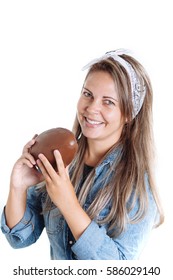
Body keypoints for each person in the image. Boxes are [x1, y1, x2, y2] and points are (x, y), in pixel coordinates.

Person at [1, 49, 164, 260]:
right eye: (88, 94)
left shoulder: (137, 186)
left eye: (108, 102)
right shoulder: (60, 159)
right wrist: (18, 187)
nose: (91, 108)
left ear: (129, 114)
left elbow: (121, 269)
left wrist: (68, 202)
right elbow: (21, 237)